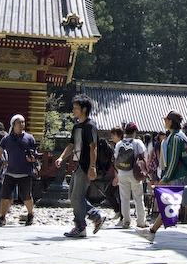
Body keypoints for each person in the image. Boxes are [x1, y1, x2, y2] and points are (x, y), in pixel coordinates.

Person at [138, 110, 187, 246]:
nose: (164, 122)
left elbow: (173, 161)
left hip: (181, 177)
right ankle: (152, 231)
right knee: (171, 203)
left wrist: (165, 179)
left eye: (166, 120)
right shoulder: (181, 136)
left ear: (171, 122)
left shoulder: (175, 138)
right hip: (181, 176)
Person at [55, 94, 105, 238]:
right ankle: (96, 216)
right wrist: (61, 157)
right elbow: (71, 145)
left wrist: (92, 166)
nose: (74, 110)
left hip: (85, 166)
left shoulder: (90, 126)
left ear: (84, 109)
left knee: (77, 196)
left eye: (76, 107)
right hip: (78, 165)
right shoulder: (77, 126)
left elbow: (93, 147)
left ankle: (80, 226)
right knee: (73, 196)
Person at [0, 114, 38, 227]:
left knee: (26, 196)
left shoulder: (29, 138)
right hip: (10, 171)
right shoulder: (7, 139)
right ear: (13, 124)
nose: (22, 125)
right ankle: (2, 217)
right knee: (4, 196)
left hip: (25, 172)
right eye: (19, 122)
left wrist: (32, 159)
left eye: (23, 122)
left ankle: (30, 214)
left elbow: (35, 154)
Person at [114, 122, 147, 229]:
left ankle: (126, 221)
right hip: (135, 174)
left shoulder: (119, 144)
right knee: (138, 197)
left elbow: (115, 160)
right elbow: (143, 157)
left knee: (124, 198)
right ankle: (141, 221)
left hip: (122, 173)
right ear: (134, 132)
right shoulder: (138, 143)